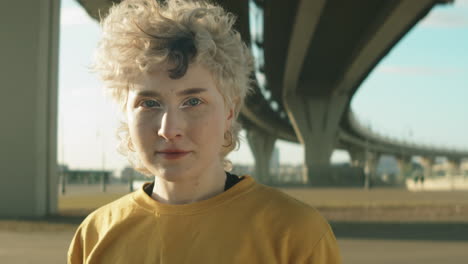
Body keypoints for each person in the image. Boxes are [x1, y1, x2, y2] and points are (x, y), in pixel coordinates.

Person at [67, 0, 342, 263]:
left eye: (193, 102)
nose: (169, 129)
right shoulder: (94, 236)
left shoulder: (295, 234)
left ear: (230, 112)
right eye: (149, 103)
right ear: (125, 115)